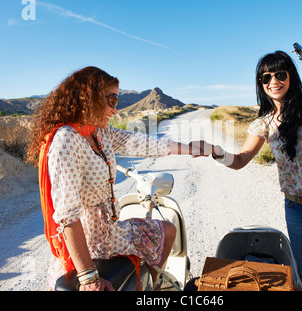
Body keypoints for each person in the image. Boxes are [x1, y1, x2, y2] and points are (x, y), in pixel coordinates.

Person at [198, 51, 302, 290]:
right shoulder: (264, 122)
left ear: (291, 76)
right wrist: (216, 152)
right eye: (266, 78)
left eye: (279, 74)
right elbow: (240, 160)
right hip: (296, 208)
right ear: (260, 84)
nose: (273, 82)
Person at [27, 66, 200, 291]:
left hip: (111, 232)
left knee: (168, 230)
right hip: (92, 245)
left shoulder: (99, 132)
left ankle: (151, 287)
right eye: (111, 100)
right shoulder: (67, 141)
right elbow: (68, 216)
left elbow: (142, 143)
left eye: (116, 101)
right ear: (88, 98)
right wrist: (89, 278)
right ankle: (152, 288)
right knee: (167, 232)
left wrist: (192, 148)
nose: (115, 110)